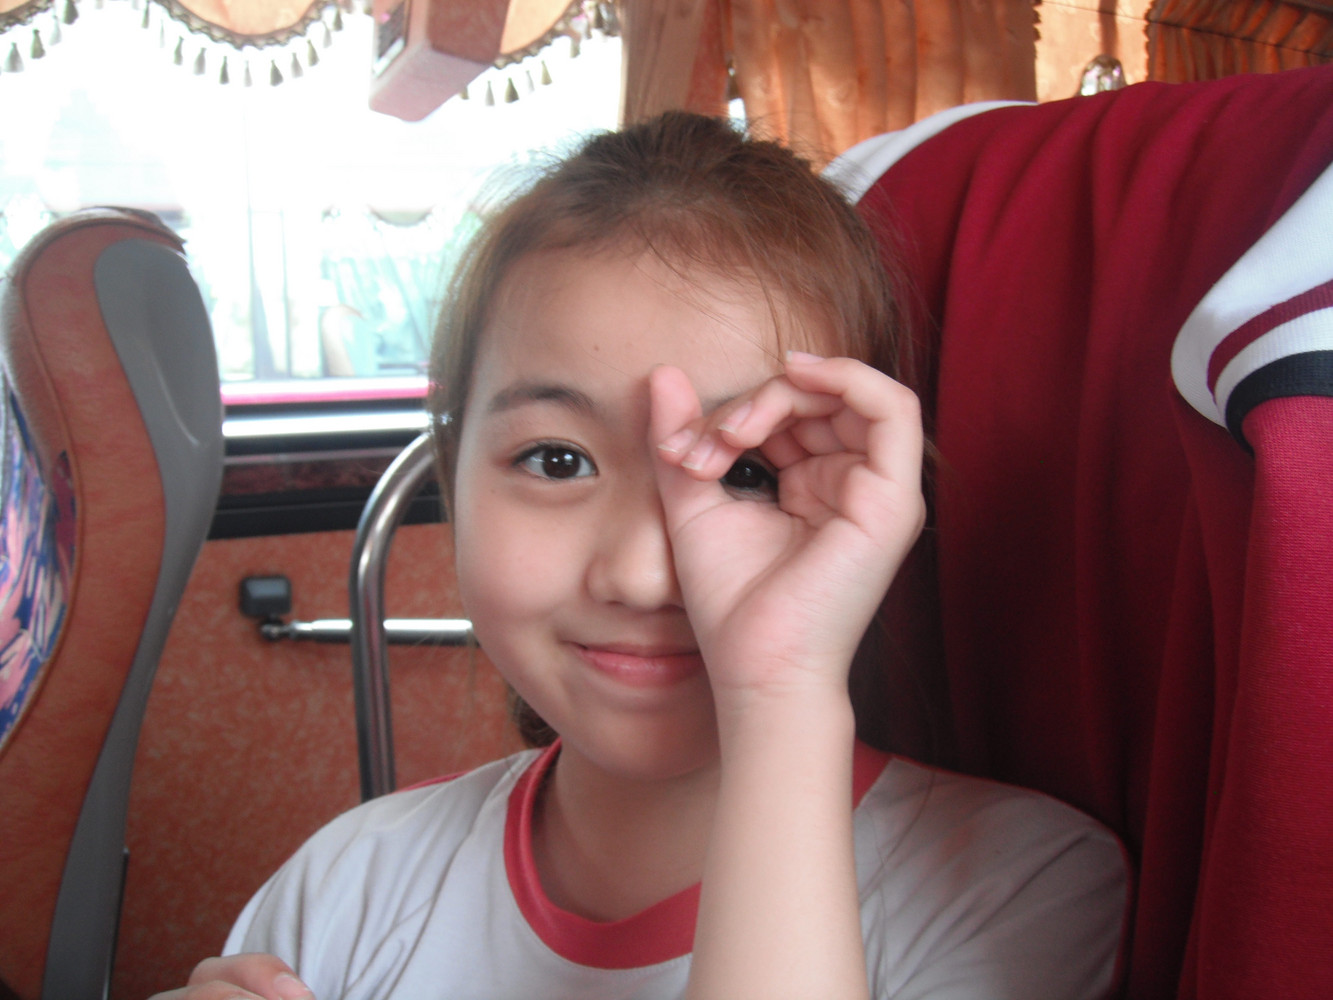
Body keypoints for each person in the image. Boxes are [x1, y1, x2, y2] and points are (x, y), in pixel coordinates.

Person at [154, 111, 1127, 1000]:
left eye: (748, 471)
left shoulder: (1016, 889)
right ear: (456, 482)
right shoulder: (343, 888)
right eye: (556, 460)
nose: (642, 574)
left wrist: (780, 692)